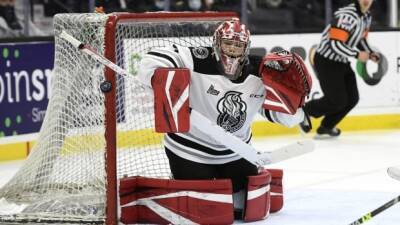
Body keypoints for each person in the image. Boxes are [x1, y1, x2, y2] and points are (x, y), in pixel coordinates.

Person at [137, 18, 311, 220]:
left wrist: (296, 104)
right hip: (190, 149)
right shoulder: (198, 58)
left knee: (244, 209)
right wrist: (162, 79)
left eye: (238, 46)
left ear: (246, 48)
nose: (231, 50)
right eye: (227, 43)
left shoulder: (259, 73)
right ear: (216, 43)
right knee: (198, 211)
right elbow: (152, 60)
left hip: (235, 151)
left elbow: (279, 115)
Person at [300, 0, 380, 138]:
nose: (366, 1)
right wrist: (357, 54)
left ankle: (327, 126)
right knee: (337, 100)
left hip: (342, 61)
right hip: (326, 61)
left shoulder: (366, 16)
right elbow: (335, 44)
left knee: (352, 99)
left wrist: (370, 52)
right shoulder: (346, 16)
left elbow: (361, 39)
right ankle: (305, 112)